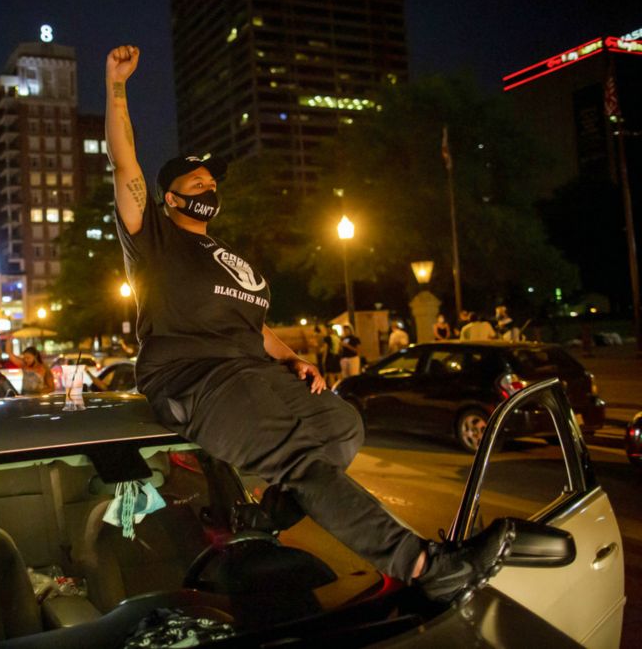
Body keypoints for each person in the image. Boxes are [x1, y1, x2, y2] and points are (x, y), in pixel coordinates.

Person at [104, 43, 513, 604]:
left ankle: (273, 512)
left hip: (254, 372)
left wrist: (291, 357)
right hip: (197, 382)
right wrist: (117, 86)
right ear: (169, 195)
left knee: (343, 427)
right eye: (198, 182)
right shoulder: (151, 237)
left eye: (212, 183)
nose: (210, 188)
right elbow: (123, 158)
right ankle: (423, 563)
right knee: (301, 457)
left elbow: (254, 328)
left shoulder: (228, 256)